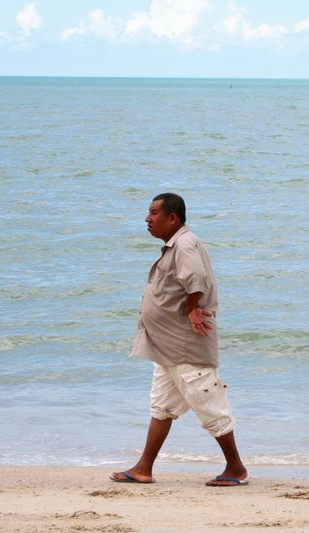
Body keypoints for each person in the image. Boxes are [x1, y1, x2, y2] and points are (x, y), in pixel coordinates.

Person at [110, 193, 248, 487]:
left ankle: (236, 468)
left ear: (172, 218)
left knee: (210, 406)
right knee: (161, 407)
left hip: (185, 346)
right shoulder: (175, 246)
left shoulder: (184, 244)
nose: (147, 218)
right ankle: (143, 468)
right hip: (167, 347)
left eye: (154, 213)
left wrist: (190, 309)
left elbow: (196, 280)